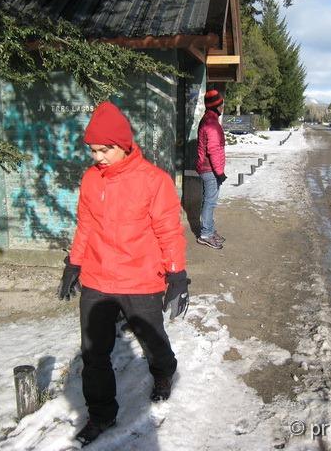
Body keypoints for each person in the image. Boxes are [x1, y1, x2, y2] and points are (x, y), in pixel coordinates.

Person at [57, 101, 189, 447]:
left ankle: (163, 373)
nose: (98, 156)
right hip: (98, 280)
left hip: (140, 279)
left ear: (125, 145)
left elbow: (169, 232)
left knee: (153, 342)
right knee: (93, 353)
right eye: (93, 150)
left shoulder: (154, 181)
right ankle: (101, 414)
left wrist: (176, 276)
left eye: (105, 149)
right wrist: (75, 262)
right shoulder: (90, 179)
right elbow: (85, 226)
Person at [195, 89, 227, 249]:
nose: (223, 107)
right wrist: (219, 173)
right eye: (221, 104)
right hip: (210, 170)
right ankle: (206, 234)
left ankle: (210, 230)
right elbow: (213, 150)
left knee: (209, 201)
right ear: (216, 106)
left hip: (208, 168)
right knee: (210, 202)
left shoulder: (208, 120)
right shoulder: (212, 124)